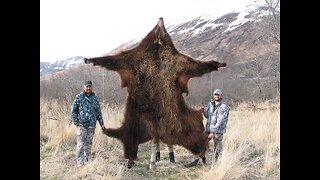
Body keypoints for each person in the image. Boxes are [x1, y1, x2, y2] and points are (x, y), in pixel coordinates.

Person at [185, 88, 230, 167]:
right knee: (200, 143)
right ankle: (195, 160)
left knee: (217, 149)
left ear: (221, 95)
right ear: (213, 95)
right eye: (215, 94)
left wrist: (214, 132)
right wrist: (203, 111)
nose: (216, 96)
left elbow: (221, 121)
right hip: (208, 129)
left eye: (218, 94)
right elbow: (208, 116)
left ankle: (216, 165)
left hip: (217, 131)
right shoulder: (210, 104)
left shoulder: (224, 107)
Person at [71, 80, 106, 166]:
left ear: (91, 87)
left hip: (92, 126)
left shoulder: (95, 98)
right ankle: (79, 162)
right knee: (80, 145)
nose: (88, 88)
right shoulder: (79, 97)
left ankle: (87, 161)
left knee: (88, 144)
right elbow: (73, 111)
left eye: (90, 86)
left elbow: (98, 112)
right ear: (84, 87)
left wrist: (102, 124)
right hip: (81, 125)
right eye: (87, 86)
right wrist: (76, 122)